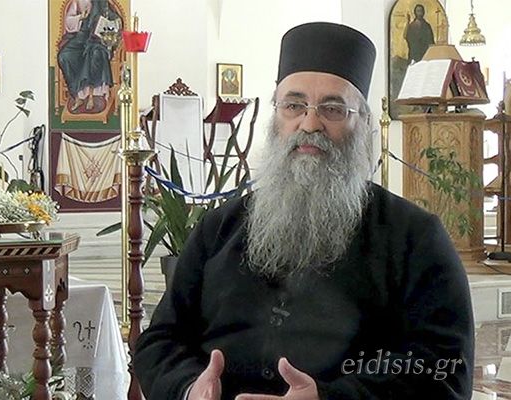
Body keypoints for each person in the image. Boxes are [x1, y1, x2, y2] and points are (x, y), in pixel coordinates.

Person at [134, 22, 474, 400]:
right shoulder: (219, 228)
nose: (310, 124)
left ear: (362, 123)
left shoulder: (415, 238)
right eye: (294, 105)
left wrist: (329, 398)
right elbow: (159, 340)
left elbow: (445, 370)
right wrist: (189, 388)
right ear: (276, 116)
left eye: (332, 108)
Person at [57, 0, 121, 113]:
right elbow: (68, 21)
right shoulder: (77, 2)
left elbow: (113, 17)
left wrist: (114, 21)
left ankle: (91, 96)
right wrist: (80, 17)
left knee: (94, 54)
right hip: (80, 38)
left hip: (96, 39)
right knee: (64, 56)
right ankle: (76, 96)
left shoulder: (101, 2)